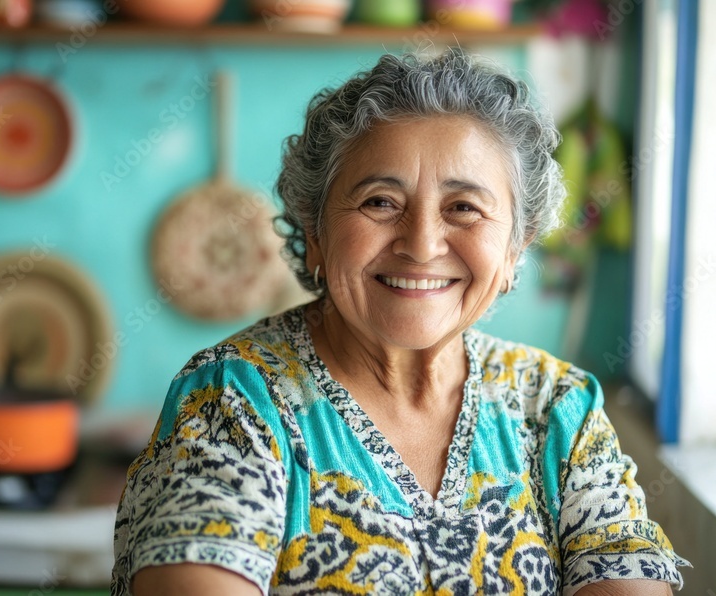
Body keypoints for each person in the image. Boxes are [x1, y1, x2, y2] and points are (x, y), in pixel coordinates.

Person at [111, 49, 688, 595]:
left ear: (515, 249)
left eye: (464, 208)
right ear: (315, 233)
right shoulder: (234, 400)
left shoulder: (558, 408)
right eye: (381, 202)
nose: (421, 244)